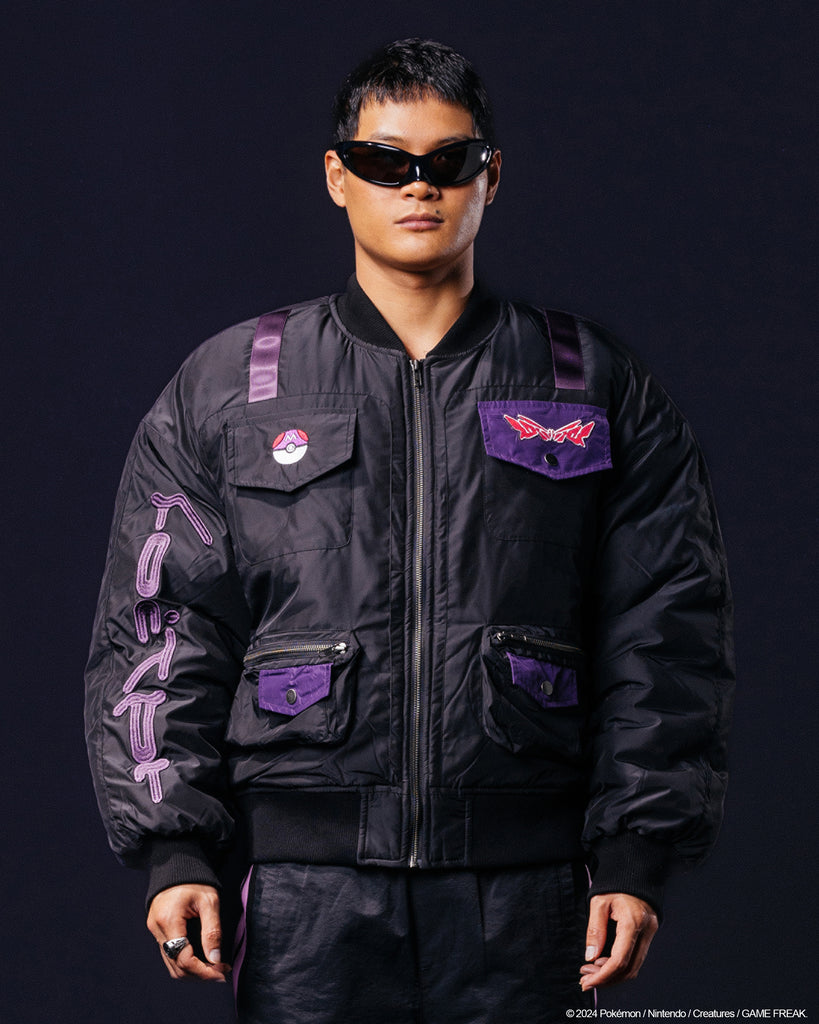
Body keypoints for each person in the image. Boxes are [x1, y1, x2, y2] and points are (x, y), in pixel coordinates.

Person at [85, 38, 734, 1022]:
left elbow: (666, 623)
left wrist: (635, 851)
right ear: (337, 176)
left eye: (448, 160)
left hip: (524, 893)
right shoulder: (230, 388)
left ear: (491, 176)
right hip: (303, 901)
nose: (418, 185)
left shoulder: (590, 383)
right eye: (385, 161)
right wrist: (174, 844)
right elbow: (163, 622)